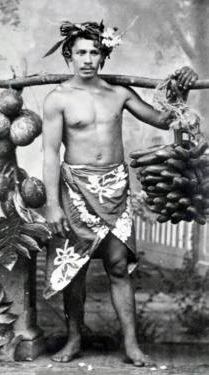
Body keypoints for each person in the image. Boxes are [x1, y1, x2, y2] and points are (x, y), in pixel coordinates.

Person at [42, 21, 198, 367]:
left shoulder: (119, 93)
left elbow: (163, 120)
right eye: (80, 52)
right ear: (68, 55)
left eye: (94, 52)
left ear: (103, 55)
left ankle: (131, 344)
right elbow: (51, 152)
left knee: (117, 265)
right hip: (75, 188)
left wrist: (180, 88)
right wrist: (52, 205)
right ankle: (73, 339)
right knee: (76, 269)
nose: (87, 59)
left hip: (114, 186)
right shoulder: (58, 99)